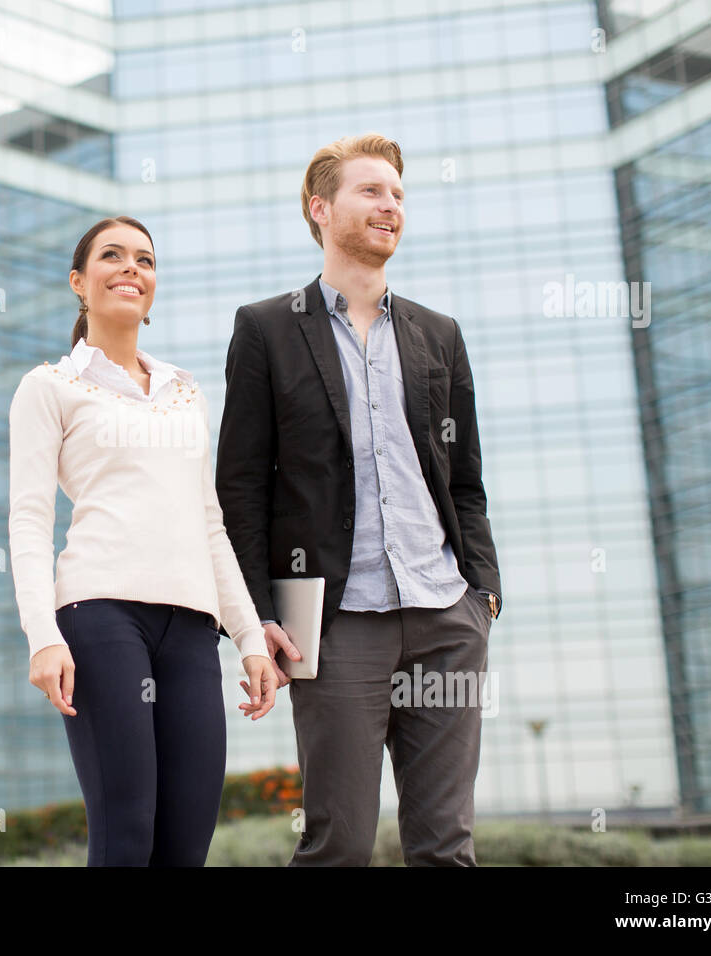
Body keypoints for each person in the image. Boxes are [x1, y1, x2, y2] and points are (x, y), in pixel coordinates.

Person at [215, 133, 502, 866]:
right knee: (336, 843)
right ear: (321, 209)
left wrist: (483, 593)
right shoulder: (268, 328)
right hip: (337, 624)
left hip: (446, 618)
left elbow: (463, 478)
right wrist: (258, 618)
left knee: (446, 846)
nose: (391, 206)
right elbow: (240, 486)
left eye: (399, 195)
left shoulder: (439, 334)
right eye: (372, 191)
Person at [7, 215, 280, 866]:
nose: (132, 267)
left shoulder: (185, 391)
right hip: (100, 618)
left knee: (185, 845)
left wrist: (249, 639)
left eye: (145, 259)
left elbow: (208, 520)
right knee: (126, 834)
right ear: (80, 281)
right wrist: (42, 635)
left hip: (191, 629)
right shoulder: (50, 387)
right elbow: (27, 518)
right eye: (113, 256)